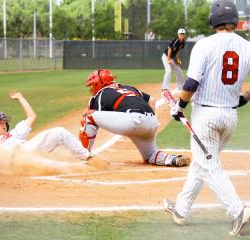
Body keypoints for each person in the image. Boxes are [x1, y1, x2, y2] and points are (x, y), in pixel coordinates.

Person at [163, 0, 250, 236]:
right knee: (203, 162)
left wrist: (179, 107)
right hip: (230, 117)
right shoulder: (247, 46)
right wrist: (242, 99)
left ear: (214, 20)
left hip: (206, 116)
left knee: (209, 165)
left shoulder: (205, 44)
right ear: (234, 21)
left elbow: (191, 83)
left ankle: (238, 210)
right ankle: (181, 210)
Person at [79, 69, 190, 167]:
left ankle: (83, 157)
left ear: (99, 83)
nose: (92, 88)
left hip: (133, 121)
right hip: (151, 122)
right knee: (150, 155)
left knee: (88, 116)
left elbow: (92, 117)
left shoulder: (100, 94)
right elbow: (152, 100)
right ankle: (172, 160)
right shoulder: (128, 88)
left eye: (93, 85)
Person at [0, 90, 101, 174]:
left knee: (59, 131)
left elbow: (32, 117)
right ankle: (77, 167)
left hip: (28, 148)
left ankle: (88, 158)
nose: (3, 124)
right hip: (20, 162)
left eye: (4, 122)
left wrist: (20, 98)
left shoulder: (14, 134)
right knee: (57, 167)